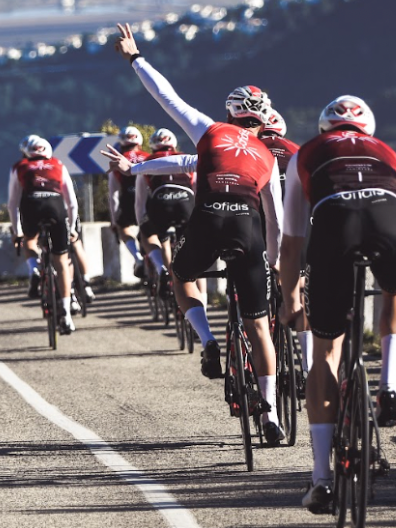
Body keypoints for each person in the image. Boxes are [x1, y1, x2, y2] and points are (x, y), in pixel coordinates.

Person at [107, 22, 287, 445]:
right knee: (260, 327)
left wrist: (136, 57)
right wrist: (275, 262)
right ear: (262, 121)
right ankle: (273, 413)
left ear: (231, 114)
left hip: (206, 217)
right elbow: (276, 218)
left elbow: (167, 98)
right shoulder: (267, 155)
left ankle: (206, 340)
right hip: (248, 225)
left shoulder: (210, 131)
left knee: (182, 274)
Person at [274, 96, 396, 513]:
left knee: (326, 352)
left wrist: (290, 298)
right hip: (387, 216)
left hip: (335, 227)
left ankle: (320, 479)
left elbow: (292, 242)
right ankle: (389, 386)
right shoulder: (390, 153)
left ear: (323, 130)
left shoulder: (305, 155)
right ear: (367, 131)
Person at [259, 109, 315, 384]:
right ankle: (307, 365)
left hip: (257, 227)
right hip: (298, 230)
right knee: (299, 293)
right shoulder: (296, 151)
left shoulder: (251, 149)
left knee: (254, 300)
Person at [9, 135, 80, 334]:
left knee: (30, 241)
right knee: (61, 261)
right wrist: (72, 227)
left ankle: (33, 270)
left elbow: (12, 203)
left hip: (31, 205)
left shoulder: (20, 166)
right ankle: (66, 314)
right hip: (56, 207)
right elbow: (72, 202)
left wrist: (17, 232)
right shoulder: (58, 164)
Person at [133, 128, 195, 293]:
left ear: (153, 147)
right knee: (189, 243)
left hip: (161, 204)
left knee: (158, 238)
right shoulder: (186, 159)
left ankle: (163, 270)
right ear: (174, 145)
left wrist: (143, 226)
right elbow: (196, 188)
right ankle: (197, 292)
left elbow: (140, 201)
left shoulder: (146, 162)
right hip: (186, 203)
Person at [108, 126, 150, 277]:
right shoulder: (149, 157)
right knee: (150, 231)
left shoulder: (118, 162)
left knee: (124, 228)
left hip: (128, 200)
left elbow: (113, 195)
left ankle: (138, 258)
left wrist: (114, 221)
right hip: (149, 200)